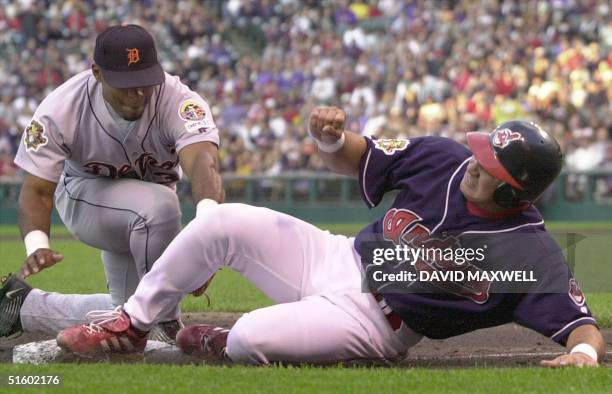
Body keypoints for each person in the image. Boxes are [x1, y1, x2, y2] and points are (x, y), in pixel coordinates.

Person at [54, 107, 604, 367]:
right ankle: (133, 322)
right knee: (218, 220)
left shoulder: (527, 248)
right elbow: (357, 154)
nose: (475, 162)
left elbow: (580, 325)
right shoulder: (445, 158)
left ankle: (225, 344)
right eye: (481, 152)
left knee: (248, 340)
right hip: (337, 256)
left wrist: (581, 355)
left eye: (490, 165)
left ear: (516, 192)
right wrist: (333, 138)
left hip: (380, 324)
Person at [0, 24, 223, 341]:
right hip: (84, 198)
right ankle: (163, 324)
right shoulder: (62, 107)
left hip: (143, 219)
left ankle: (23, 307)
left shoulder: (177, 99)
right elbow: (36, 191)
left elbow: (203, 163)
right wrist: (37, 245)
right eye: (126, 83)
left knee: (128, 306)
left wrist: (207, 233)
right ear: (97, 73)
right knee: (158, 206)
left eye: (145, 81)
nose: (138, 93)